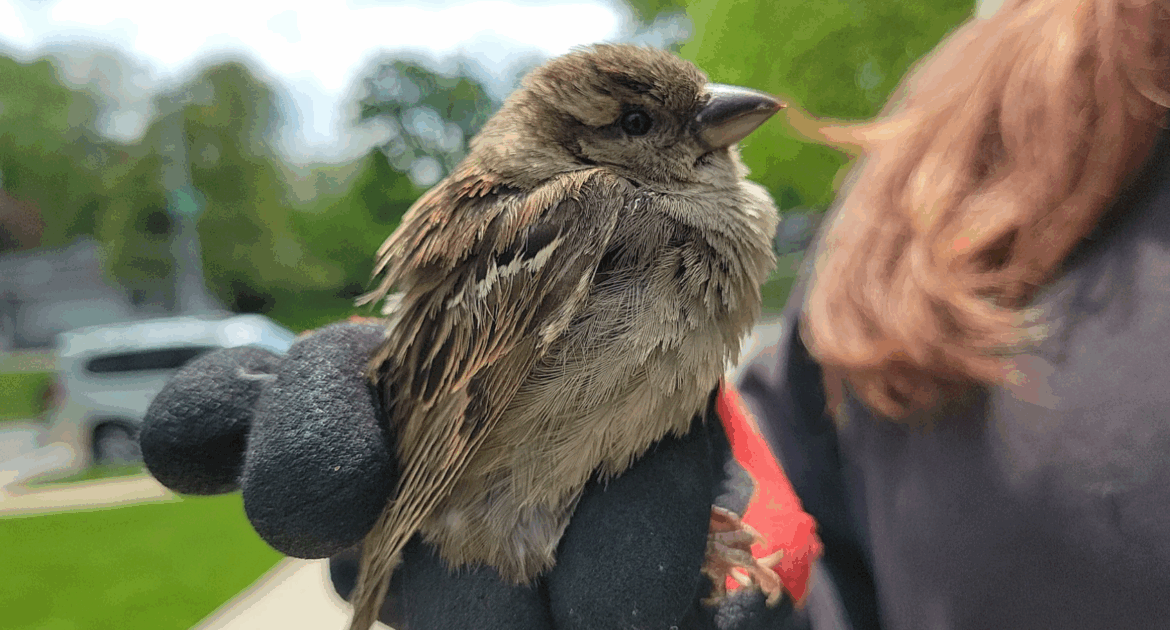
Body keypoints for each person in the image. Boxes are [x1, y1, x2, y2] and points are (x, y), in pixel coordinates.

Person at [139, 0, 1170, 627]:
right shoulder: (578, 210)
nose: (713, 129)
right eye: (644, 125)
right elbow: (808, 490)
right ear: (584, 145)